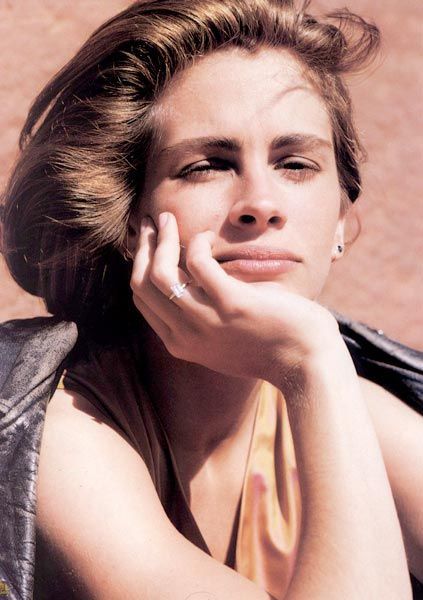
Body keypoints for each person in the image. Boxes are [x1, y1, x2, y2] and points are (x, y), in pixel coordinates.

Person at [0, 1, 422, 598]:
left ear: (339, 219)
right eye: (207, 166)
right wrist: (311, 360)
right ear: (128, 219)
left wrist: (318, 366)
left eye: (295, 163)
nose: (261, 203)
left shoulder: (350, 405)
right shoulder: (65, 435)